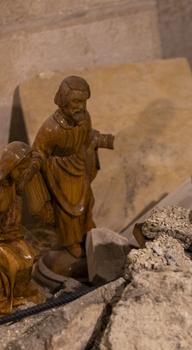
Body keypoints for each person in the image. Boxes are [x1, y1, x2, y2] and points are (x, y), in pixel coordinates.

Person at [31, 76, 114, 260]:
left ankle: (87, 233)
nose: (81, 107)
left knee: (87, 201)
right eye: (76, 101)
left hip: (80, 166)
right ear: (63, 101)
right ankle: (71, 243)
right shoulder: (51, 128)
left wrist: (101, 141)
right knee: (67, 211)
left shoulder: (85, 119)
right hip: (59, 172)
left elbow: (86, 139)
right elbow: (38, 152)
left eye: (84, 101)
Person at [0, 142, 44, 314]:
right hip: (2, 239)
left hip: (12, 236)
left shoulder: (14, 182)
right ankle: (4, 298)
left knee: (29, 256)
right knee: (12, 263)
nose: (25, 173)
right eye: (22, 168)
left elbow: (37, 161)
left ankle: (20, 292)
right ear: (12, 166)